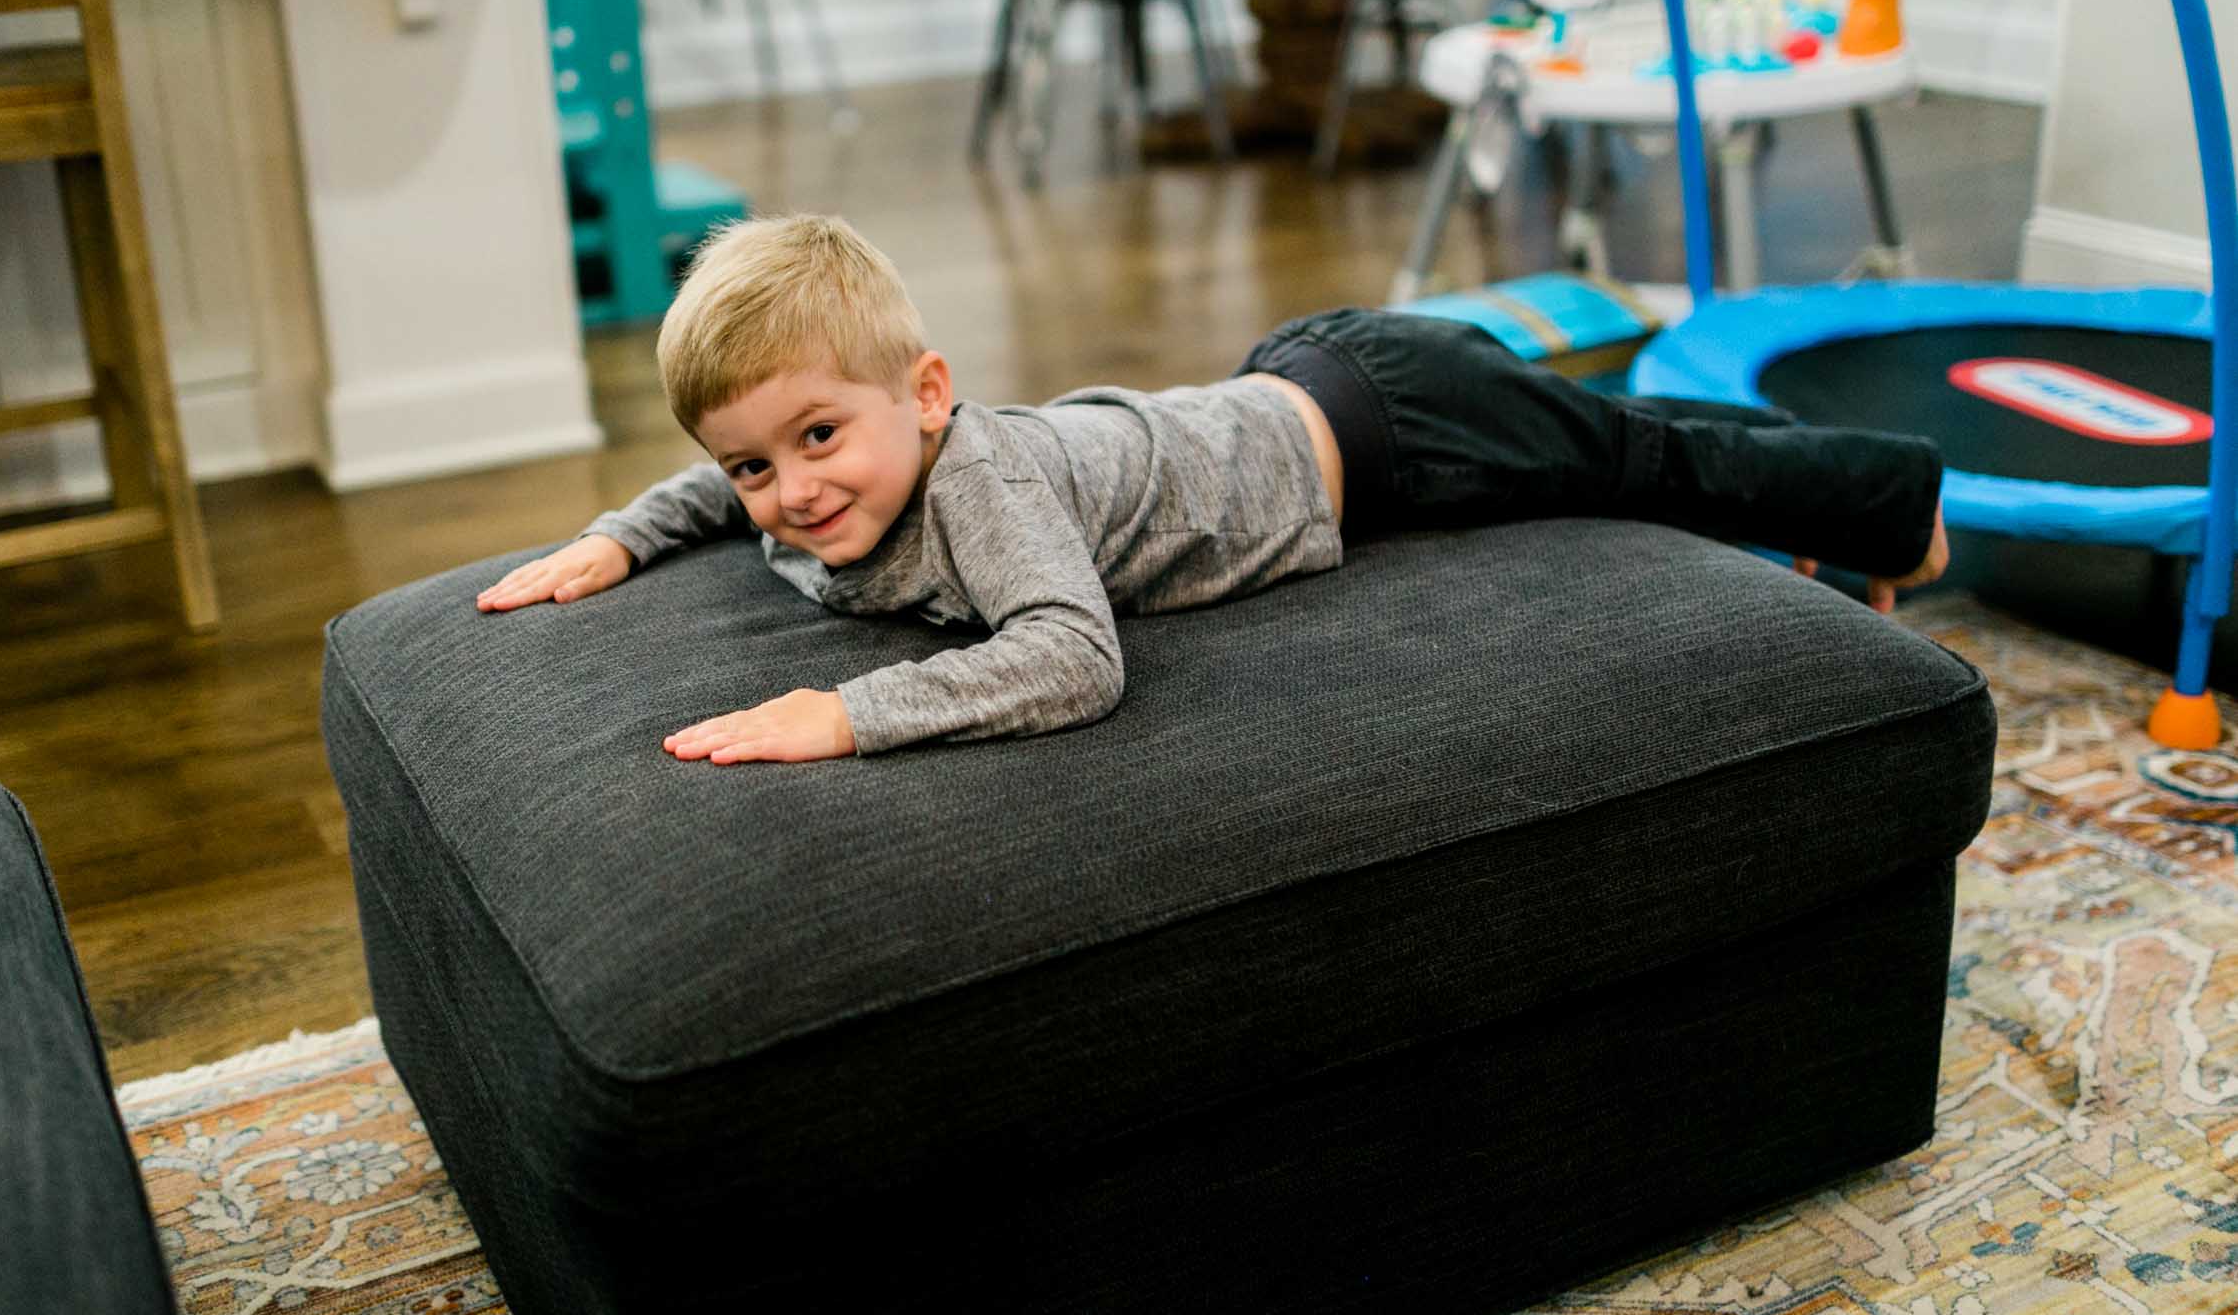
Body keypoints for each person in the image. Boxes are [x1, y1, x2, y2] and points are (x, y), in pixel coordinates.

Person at [477, 215, 1948, 764]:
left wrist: (843, 716)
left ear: (926, 397)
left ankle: (1896, 507)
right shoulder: (792, 472)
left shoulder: (974, 487)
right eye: (754, 464)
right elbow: (705, 479)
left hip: (1391, 428)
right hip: (1296, 388)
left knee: (1639, 452)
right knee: (1613, 441)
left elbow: (1070, 659)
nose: (788, 492)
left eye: (819, 441)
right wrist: (615, 543)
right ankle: (1835, 522)